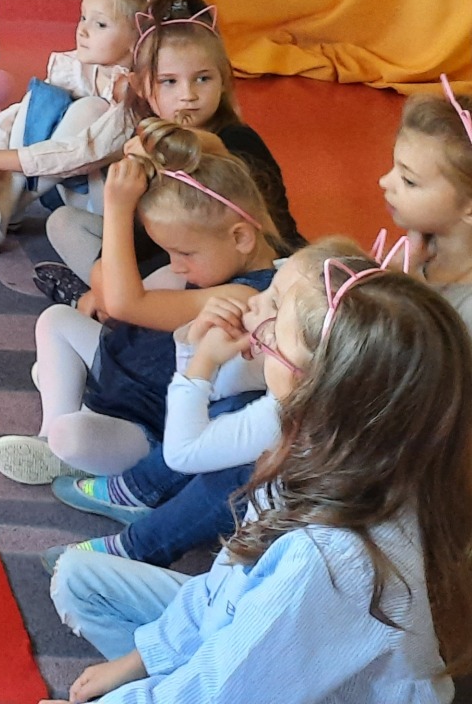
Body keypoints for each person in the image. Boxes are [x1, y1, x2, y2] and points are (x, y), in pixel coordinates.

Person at [40, 267, 469, 704]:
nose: (261, 339)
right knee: (76, 576)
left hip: (257, 678)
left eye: (275, 338)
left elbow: (220, 693)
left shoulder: (327, 560)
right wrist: (142, 660)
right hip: (245, 640)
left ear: (314, 388)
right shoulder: (324, 458)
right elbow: (222, 586)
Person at [50, 237, 372, 570]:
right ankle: (139, 490)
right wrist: (194, 346)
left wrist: (203, 362)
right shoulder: (309, 372)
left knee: (245, 475)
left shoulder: (292, 415)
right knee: (233, 409)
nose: (255, 301)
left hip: (296, 550)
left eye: (275, 302)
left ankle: (137, 547)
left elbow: (182, 451)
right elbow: (214, 396)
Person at [0, 122, 282, 487]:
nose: (177, 264)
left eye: (185, 253)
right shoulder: (218, 260)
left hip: (149, 420)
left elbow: (124, 304)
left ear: (240, 238)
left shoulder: (247, 297)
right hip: (125, 370)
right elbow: (117, 302)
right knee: (56, 320)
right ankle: (48, 436)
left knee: (72, 435)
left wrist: (117, 207)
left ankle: (67, 418)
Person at [44, 0, 300, 286]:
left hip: (236, 272)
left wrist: (119, 288)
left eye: (203, 79)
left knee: (166, 276)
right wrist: (106, 273)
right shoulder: (142, 137)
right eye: (169, 82)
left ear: (224, 80)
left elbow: (270, 233)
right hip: (168, 256)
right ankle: (110, 297)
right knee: (63, 223)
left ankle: (115, 302)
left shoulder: (238, 139)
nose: (188, 95)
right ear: (140, 86)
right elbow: (141, 234)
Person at [0, 0, 158, 252]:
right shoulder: (78, 68)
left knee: (91, 108)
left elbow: (83, 154)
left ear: (138, 40)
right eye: (83, 17)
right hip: (57, 186)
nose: (82, 30)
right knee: (43, 98)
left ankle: (1, 207)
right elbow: (18, 116)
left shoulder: (135, 92)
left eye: (100, 24)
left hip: (105, 202)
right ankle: (2, 203)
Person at [381, 78, 472, 329]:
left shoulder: (467, 310)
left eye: (409, 181)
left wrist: (401, 289)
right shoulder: (416, 248)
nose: (384, 181)